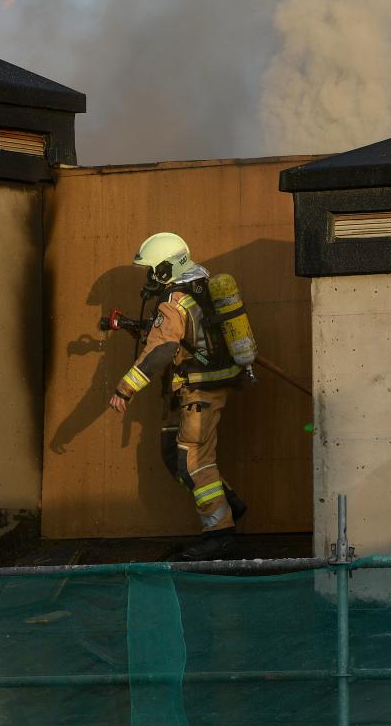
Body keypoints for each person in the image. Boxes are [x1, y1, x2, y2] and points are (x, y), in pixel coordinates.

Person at [109, 232, 248, 561]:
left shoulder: (173, 303)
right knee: (174, 453)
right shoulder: (201, 285)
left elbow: (162, 351)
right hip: (199, 388)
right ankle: (229, 505)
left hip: (198, 392)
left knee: (194, 462)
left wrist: (124, 389)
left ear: (165, 269)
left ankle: (220, 534)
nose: (149, 278)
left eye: (151, 270)